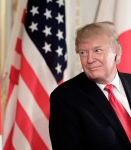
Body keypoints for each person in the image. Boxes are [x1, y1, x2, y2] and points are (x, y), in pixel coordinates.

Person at [49, 21, 131, 150]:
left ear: (117, 53)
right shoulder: (65, 98)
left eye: (97, 50)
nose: (90, 60)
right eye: (83, 53)